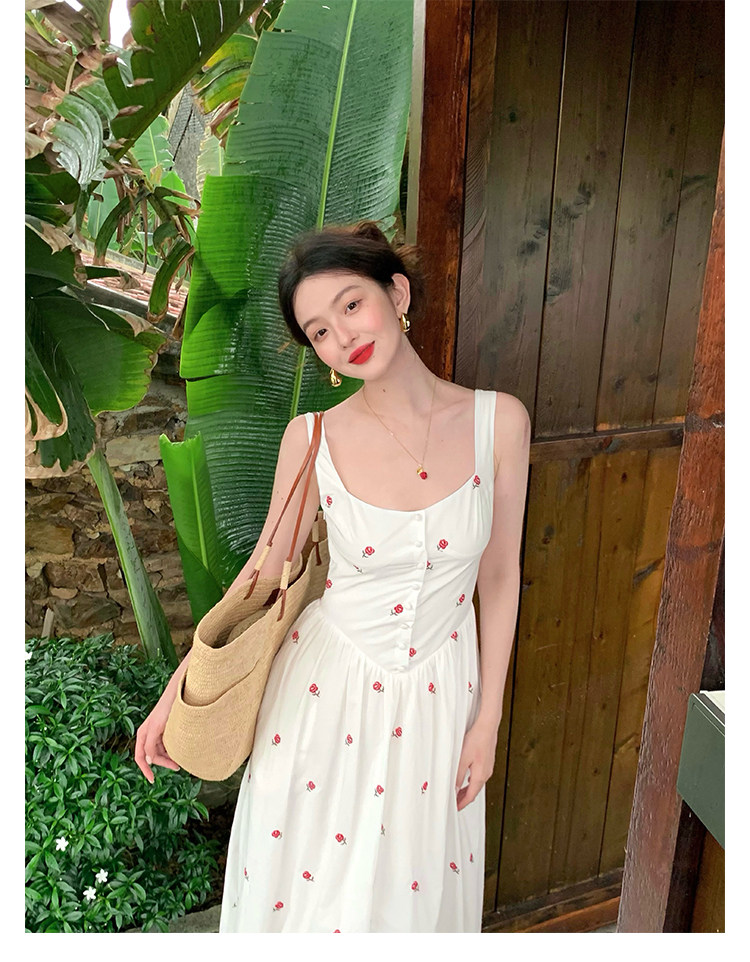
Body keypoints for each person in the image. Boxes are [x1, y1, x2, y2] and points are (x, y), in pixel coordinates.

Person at [135, 220, 530, 932]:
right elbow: (260, 580)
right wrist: (178, 696)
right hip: (323, 699)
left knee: (409, 903)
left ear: (396, 293)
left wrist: (489, 720)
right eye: (319, 330)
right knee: (309, 906)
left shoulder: (499, 423)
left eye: (352, 304)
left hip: (441, 701)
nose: (343, 336)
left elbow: (500, 574)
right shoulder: (312, 437)